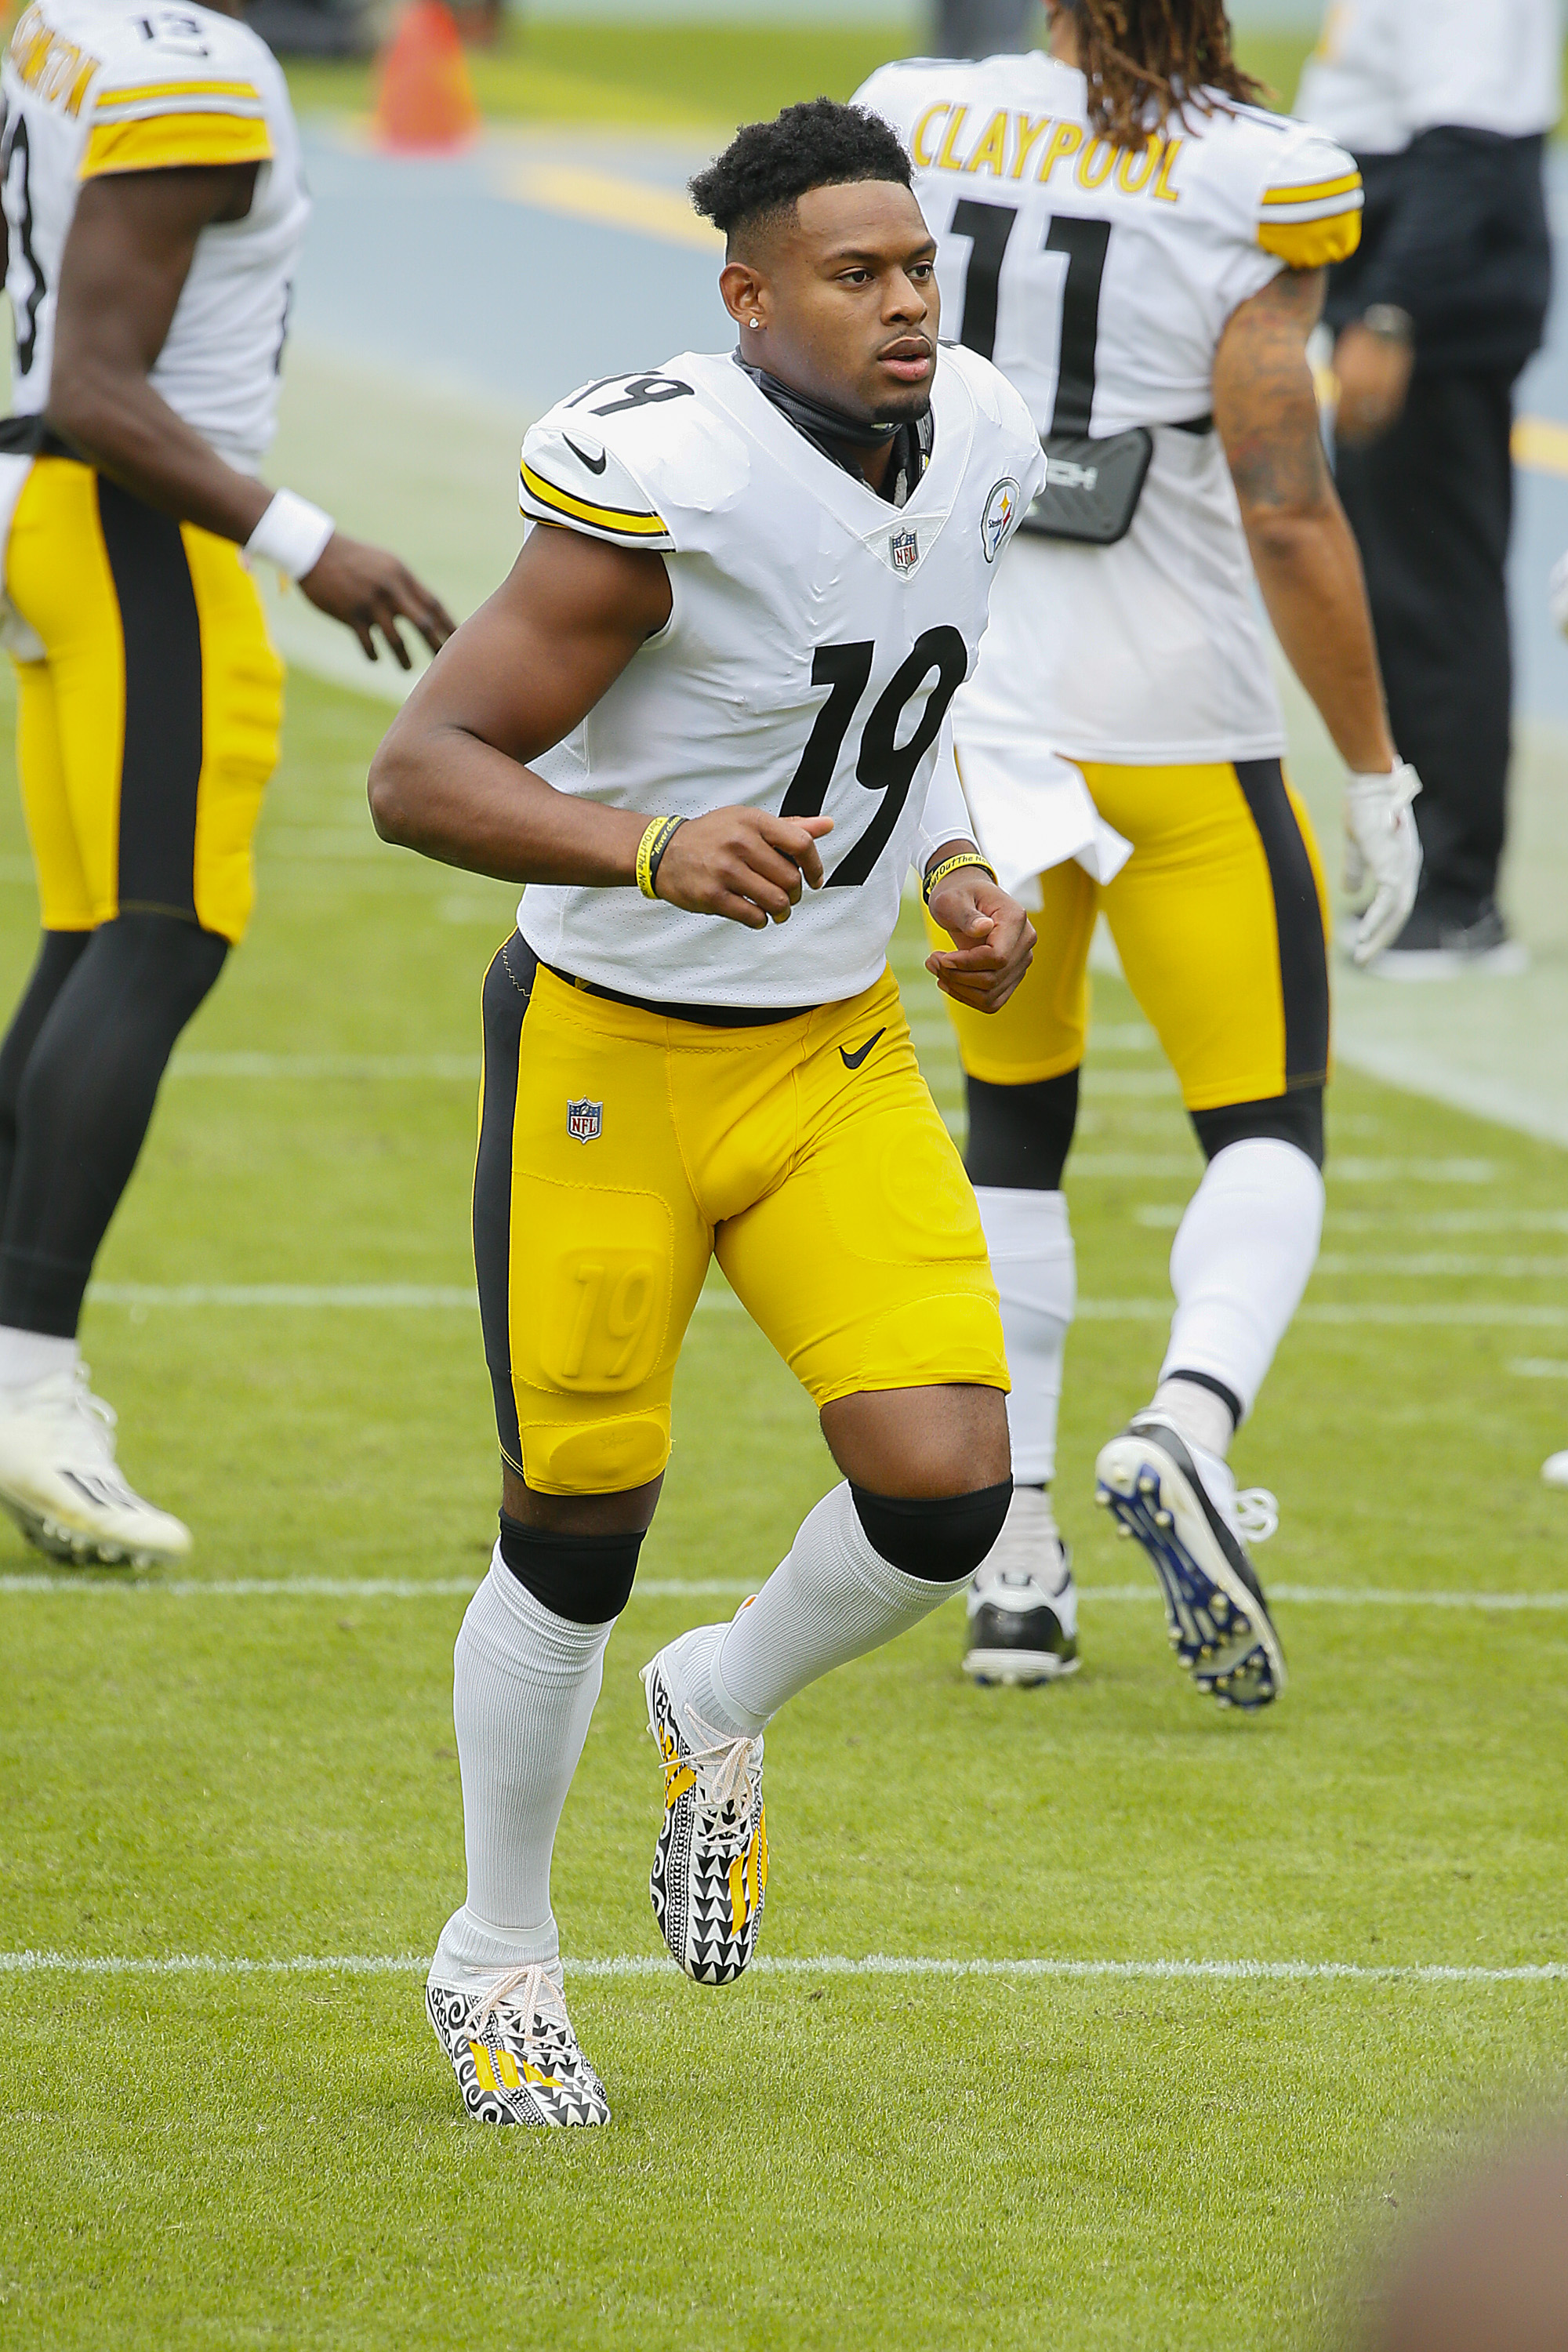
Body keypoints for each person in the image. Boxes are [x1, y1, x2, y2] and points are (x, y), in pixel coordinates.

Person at [368, 100, 1044, 2127]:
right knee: (576, 1533)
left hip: (833, 1046)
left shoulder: (989, 431)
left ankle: (719, 1695)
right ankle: (493, 1953)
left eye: (917, 266)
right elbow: (422, 768)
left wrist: (954, 873)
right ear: (748, 300)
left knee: (943, 1493)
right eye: (856, 276)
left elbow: (902, 706)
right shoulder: (659, 473)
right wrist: (646, 848)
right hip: (616, 1056)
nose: (908, 303)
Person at [858, 0, 1419, 1707]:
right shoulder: (1257, 172)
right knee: (1264, 1120)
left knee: (1013, 1132)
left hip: (978, 721)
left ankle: (1012, 1567)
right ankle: (1187, 1417)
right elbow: (1280, 492)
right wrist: (1377, 768)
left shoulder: (918, 115)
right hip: (1180, 719)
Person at [0, 0, 453, 1568]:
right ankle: (32, 1384)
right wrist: (309, 541)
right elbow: (100, 384)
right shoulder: (185, 66)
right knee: (163, 930)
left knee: (89, 940)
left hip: (40, 510)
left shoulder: (54, 27)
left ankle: (15, 1361)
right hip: (130, 519)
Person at [1298, 0, 1557, 974]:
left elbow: (1469, 148)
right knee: (1395, 589)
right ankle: (1426, 868)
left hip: (1428, 321)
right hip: (1403, 303)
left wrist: (1393, 311)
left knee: (1428, 596)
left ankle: (1456, 896)